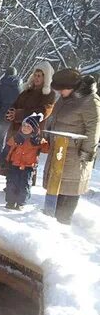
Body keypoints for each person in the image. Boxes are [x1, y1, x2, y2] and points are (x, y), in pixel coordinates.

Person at [43, 71, 100, 225]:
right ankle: (48, 224)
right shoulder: (64, 97)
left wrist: (86, 153)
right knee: (57, 188)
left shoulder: (90, 101)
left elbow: (94, 129)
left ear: (73, 87)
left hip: (75, 156)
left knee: (70, 191)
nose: (60, 93)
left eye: (63, 89)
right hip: (60, 152)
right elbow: (55, 117)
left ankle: (63, 223)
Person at [0, 61, 56, 175]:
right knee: (11, 158)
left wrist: (19, 114)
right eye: (35, 75)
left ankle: (23, 187)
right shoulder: (27, 91)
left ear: (45, 78)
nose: (36, 78)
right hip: (16, 130)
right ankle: (10, 184)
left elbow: (43, 112)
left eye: (39, 76)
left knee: (26, 163)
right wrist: (11, 112)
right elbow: (15, 105)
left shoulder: (49, 95)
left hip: (31, 134)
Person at [4, 113, 48, 210]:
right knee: (11, 183)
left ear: (34, 129)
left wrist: (42, 140)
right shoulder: (17, 137)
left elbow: (46, 149)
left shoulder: (37, 140)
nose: (25, 128)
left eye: (28, 126)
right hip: (14, 164)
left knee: (24, 185)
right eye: (24, 125)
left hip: (28, 167)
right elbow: (9, 145)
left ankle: (21, 203)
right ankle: (10, 202)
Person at [0, 67, 22, 163]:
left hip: (1, 117)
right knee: (11, 139)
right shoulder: (20, 87)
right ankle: (8, 161)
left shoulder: (1, 86)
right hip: (14, 117)